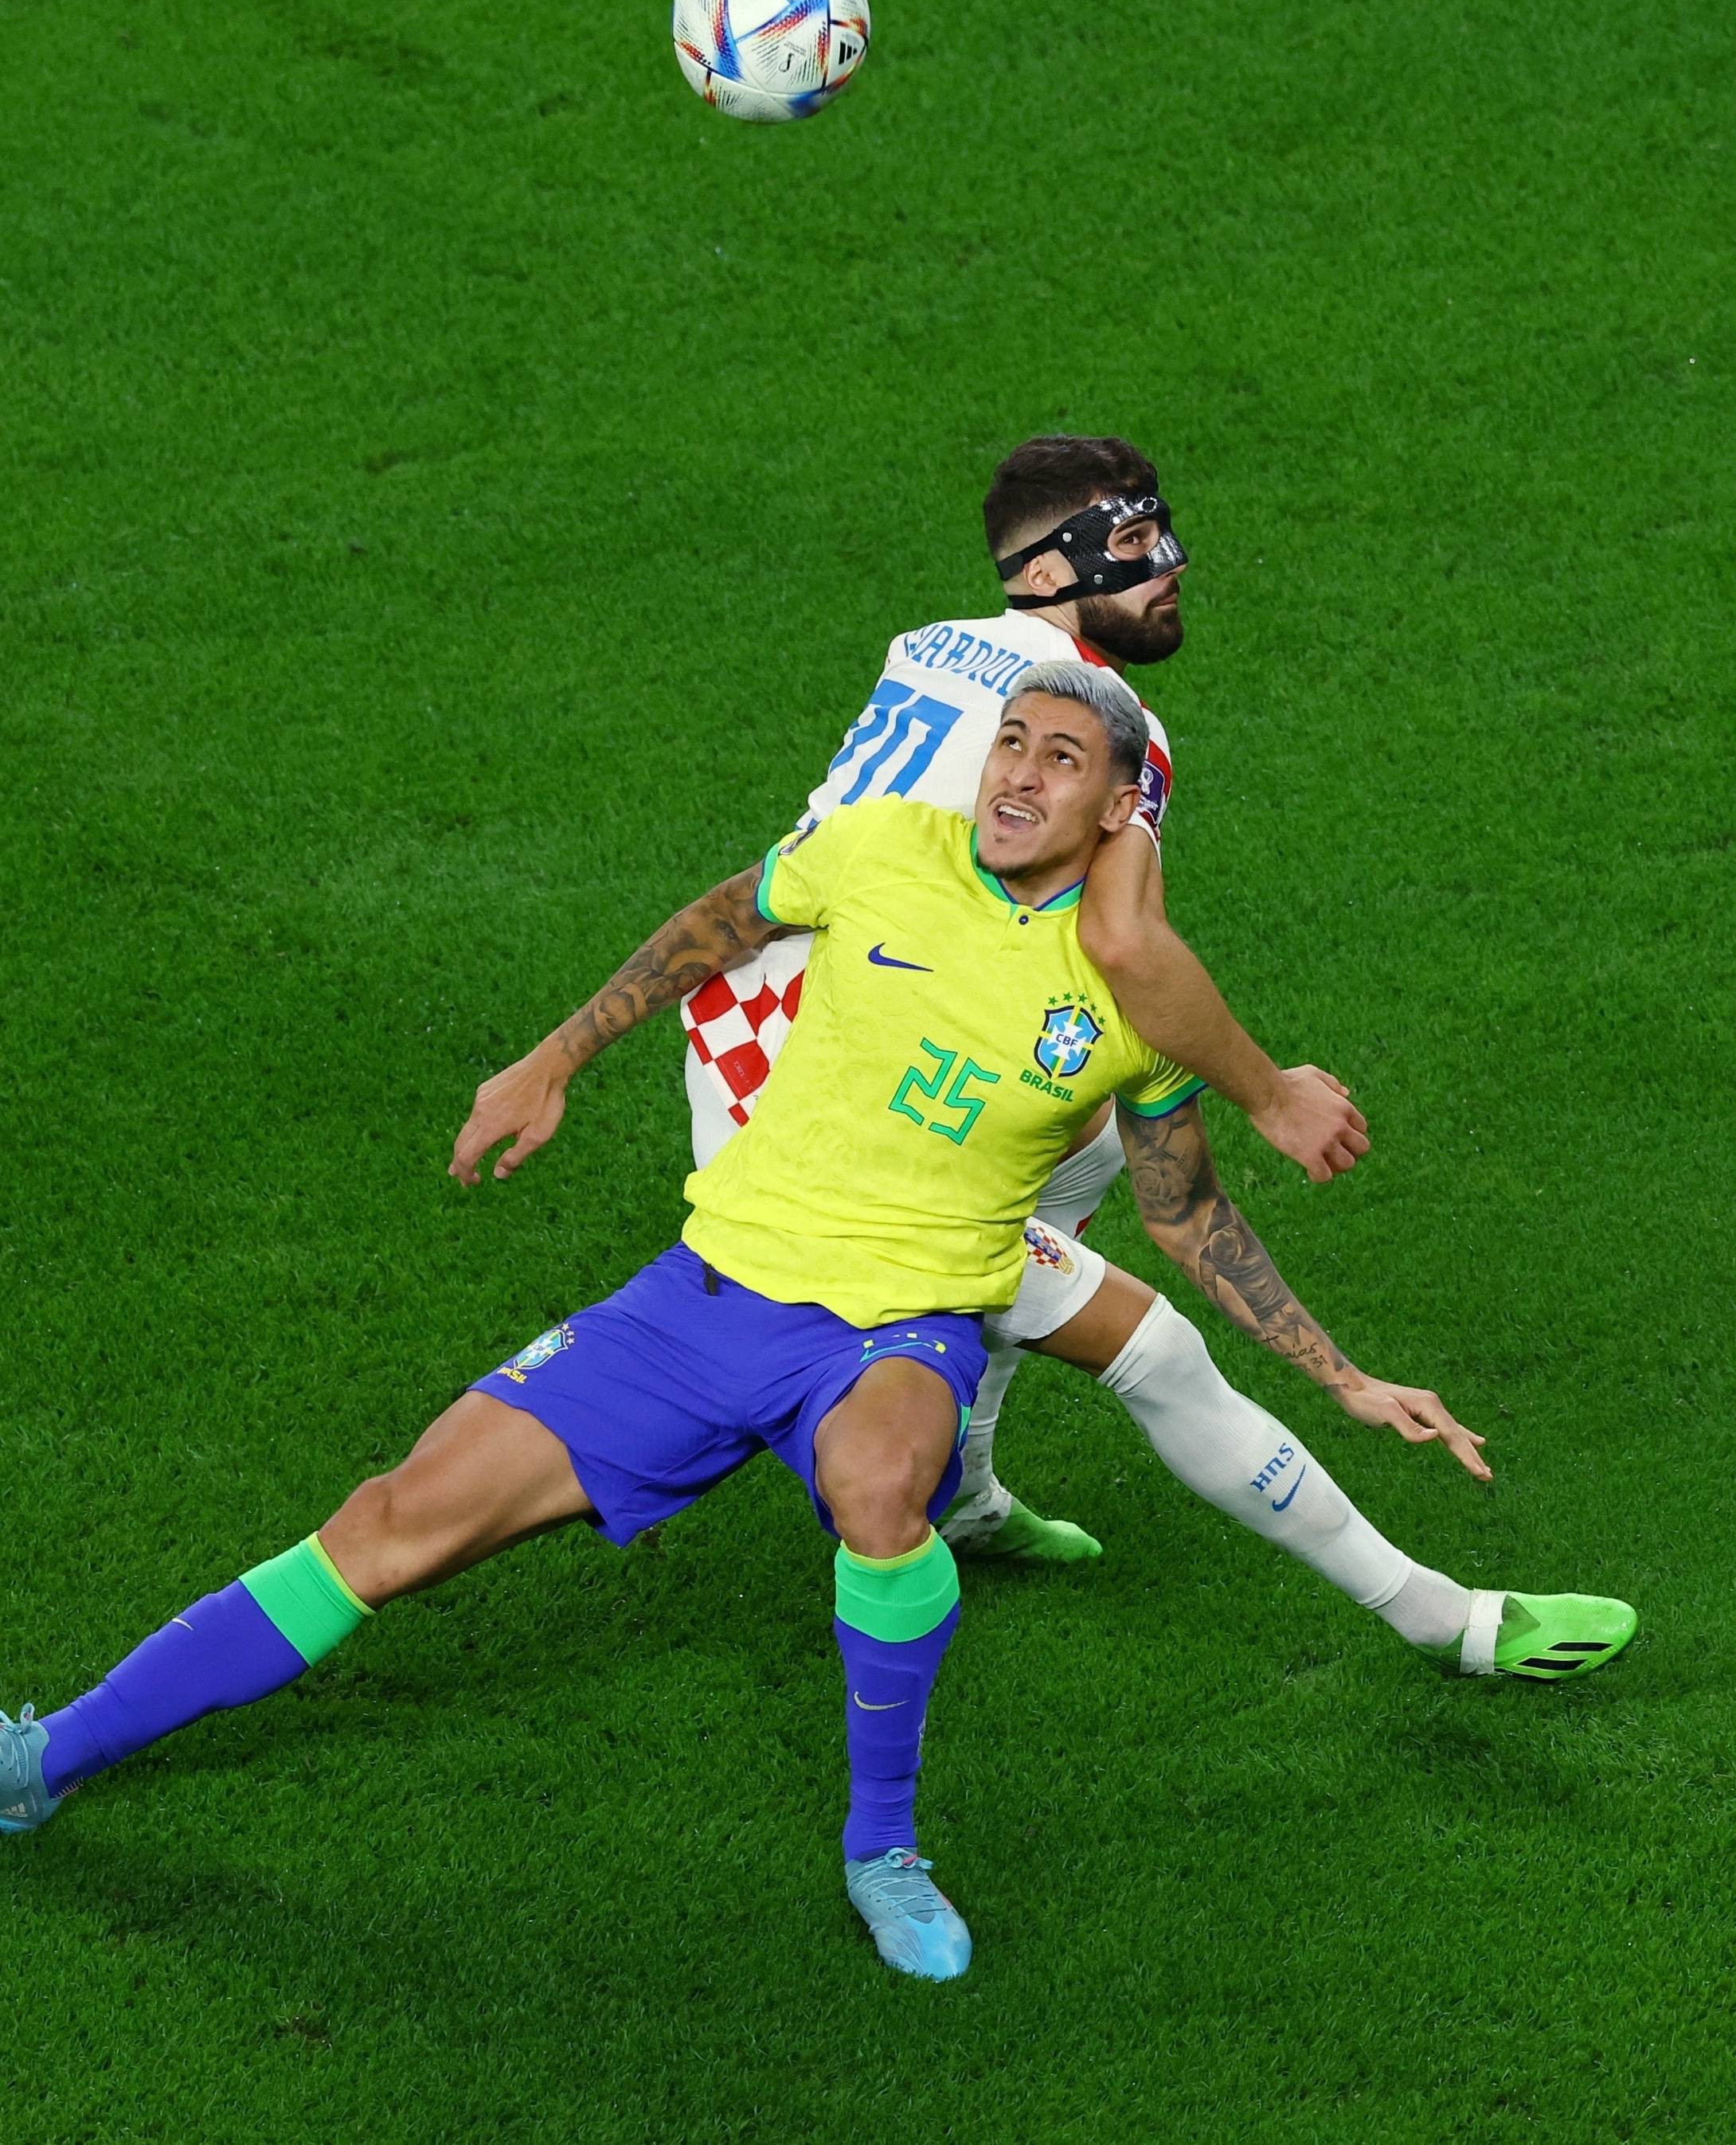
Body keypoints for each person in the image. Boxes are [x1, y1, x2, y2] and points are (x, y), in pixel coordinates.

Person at [2, 673, 1633, 1987]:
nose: (1012, 774)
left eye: (1060, 758)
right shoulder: (874, 849)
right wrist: (553, 1056)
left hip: (898, 1329)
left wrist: (1344, 1375)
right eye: (1009, 741)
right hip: (698, 1304)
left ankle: (882, 1847)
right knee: (384, 1528)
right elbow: (715, 924)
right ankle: (46, 1753)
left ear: (1113, 803)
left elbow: (1191, 1213)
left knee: (882, 1489)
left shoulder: (1135, 993)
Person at [684, 434, 1367, 1561]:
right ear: (1050, 574)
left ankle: (960, 1485)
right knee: (1122, 1327)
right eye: (1137, 543)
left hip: (750, 1001)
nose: (1173, 563)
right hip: (838, 1060)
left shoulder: (934, 643)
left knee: (1087, 1143)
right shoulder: (1104, 721)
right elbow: (1121, 940)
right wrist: (1272, 1094)